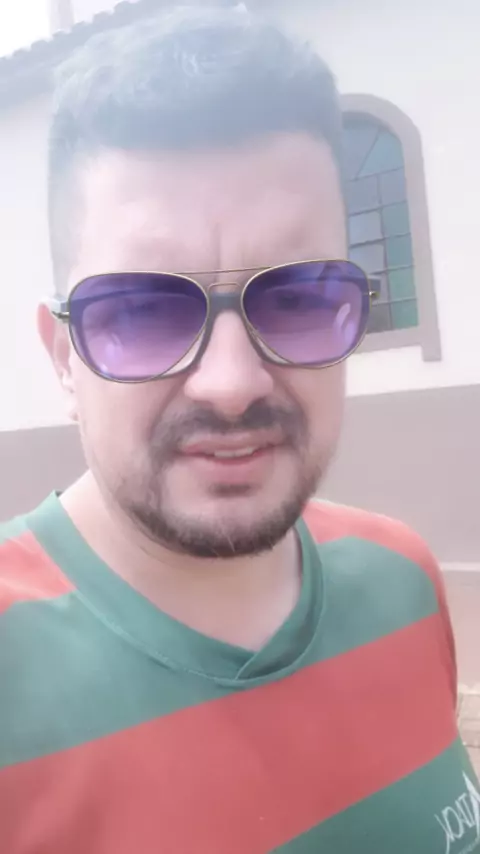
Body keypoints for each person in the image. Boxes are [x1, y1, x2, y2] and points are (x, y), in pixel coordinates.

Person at [0, 5, 478, 853]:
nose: (230, 384)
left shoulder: (403, 578)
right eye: (141, 310)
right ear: (65, 357)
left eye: (297, 296)